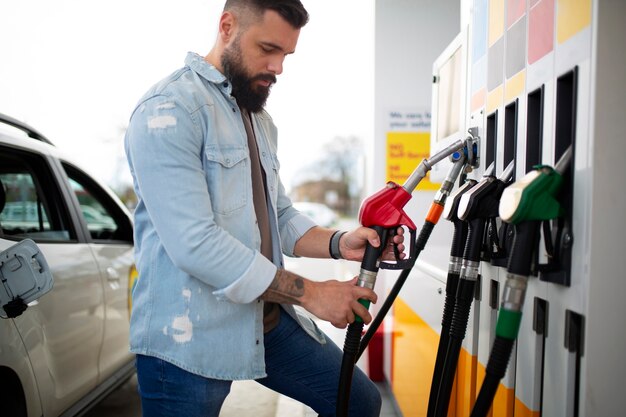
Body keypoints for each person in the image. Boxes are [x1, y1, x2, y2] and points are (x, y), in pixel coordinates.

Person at [124, 1, 404, 416]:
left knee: (358, 402)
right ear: (227, 26)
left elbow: (281, 215)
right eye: (268, 49)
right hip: (186, 337)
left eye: (286, 55)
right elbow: (194, 244)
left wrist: (342, 242)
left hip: (262, 321)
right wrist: (311, 293)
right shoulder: (169, 110)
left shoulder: (257, 119)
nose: (278, 67)